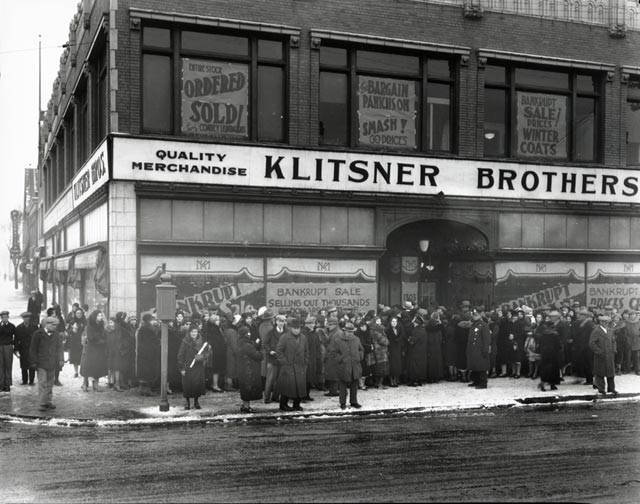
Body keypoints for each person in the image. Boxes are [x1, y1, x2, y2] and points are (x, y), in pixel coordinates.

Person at [29, 316, 64, 412]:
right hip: (41, 363)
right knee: (42, 383)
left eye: (56, 325)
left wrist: (61, 359)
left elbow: (60, 348)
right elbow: (33, 349)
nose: (55, 327)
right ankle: (42, 403)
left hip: (52, 363)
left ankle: (48, 401)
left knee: (50, 383)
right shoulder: (37, 334)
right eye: (53, 325)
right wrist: (33, 362)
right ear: (47, 324)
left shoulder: (56, 334)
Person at [275, 318, 308, 412]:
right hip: (288, 366)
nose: (297, 330)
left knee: (299, 387)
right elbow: (279, 351)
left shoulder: (303, 338)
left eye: (298, 328)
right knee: (286, 387)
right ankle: (283, 404)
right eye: (295, 328)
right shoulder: (285, 337)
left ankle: (296, 404)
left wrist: (305, 362)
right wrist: (284, 362)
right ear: (290, 328)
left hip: (300, 366)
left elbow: (306, 351)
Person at [329, 321, 364, 410]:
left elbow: (361, 350)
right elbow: (333, 353)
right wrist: (341, 359)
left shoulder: (356, 339)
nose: (350, 333)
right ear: (344, 331)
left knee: (354, 385)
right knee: (342, 386)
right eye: (348, 331)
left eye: (352, 332)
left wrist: (359, 357)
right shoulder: (338, 340)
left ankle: (353, 401)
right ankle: (343, 403)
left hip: (354, 366)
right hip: (343, 366)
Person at [177, 325, 211, 410]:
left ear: (198, 332)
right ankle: (187, 402)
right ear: (189, 333)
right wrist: (182, 368)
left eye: (195, 332)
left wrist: (202, 357)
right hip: (187, 366)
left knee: (197, 385)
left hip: (198, 367)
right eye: (192, 332)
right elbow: (180, 355)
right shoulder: (185, 341)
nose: (194, 333)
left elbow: (207, 352)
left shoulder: (202, 342)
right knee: (187, 385)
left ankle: (196, 401)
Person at [236, 325, 263, 413]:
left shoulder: (240, 342)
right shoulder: (247, 345)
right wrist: (260, 349)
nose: (250, 334)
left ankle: (244, 405)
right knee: (248, 388)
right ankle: (246, 407)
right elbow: (258, 356)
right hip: (248, 370)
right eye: (248, 332)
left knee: (244, 388)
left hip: (242, 369)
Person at [589, 315, 617, 395]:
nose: (605, 323)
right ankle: (601, 389)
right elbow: (592, 343)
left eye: (607, 322)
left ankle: (611, 389)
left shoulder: (610, 330)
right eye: (603, 322)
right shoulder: (596, 331)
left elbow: (613, 341)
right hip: (601, 355)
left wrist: (614, 349)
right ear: (600, 322)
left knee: (611, 373)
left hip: (610, 355)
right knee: (600, 373)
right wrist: (599, 351)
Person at [81, 309, 108, 392]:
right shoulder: (90, 325)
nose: (101, 317)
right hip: (91, 349)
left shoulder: (101, 325)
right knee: (88, 366)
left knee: (97, 366)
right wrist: (100, 340)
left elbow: (104, 335)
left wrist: (102, 339)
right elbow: (91, 337)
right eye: (99, 315)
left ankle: (95, 385)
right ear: (95, 316)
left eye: (101, 315)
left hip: (99, 349)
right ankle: (85, 384)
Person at [466, 309, 492, 389]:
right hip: (474, 350)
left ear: (480, 315)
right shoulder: (473, 325)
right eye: (474, 315)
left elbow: (487, 339)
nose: (474, 316)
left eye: (476, 314)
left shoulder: (484, 325)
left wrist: (485, 350)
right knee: (475, 366)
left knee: (482, 367)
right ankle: (476, 381)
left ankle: (483, 383)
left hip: (480, 350)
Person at [263, 313, 285, 403]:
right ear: (276, 322)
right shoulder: (271, 332)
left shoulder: (286, 332)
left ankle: (276, 397)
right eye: (280, 321)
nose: (281, 323)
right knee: (270, 380)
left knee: (280, 380)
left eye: (283, 321)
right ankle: (267, 398)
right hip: (272, 359)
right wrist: (269, 351)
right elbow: (265, 344)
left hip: (282, 359)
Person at [137, 313, 160, 396]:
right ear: (149, 320)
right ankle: (147, 390)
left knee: (144, 372)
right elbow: (153, 340)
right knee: (149, 371)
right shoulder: (149, 329)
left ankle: (141, 390)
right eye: (152, 319)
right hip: (149, 353)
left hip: (143, 353)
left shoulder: (141, 328)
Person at [538, 318, 562, 392]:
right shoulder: (555, 334)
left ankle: (543, 384)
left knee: (544, 369)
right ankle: (552, 384)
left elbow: (540, 345)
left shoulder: (543, 334)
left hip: (545, 354)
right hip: (553, 354)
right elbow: (559, 345)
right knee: (553, 370)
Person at [407, 309, 428, 386]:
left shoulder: (415, 330)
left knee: (414, 366)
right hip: (422, 350)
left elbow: (412, 341)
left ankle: (414, 380)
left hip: (415, 350)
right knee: (421, 365)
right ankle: (419, 380)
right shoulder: (423, 330)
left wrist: (409, 339)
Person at [14, 312, 37, 385]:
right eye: (25, 318)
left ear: (29, 318)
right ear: (22, 319)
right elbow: (16, 340)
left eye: (27, 318)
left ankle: (31, 381)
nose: (26, 319)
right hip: (23, 349)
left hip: (32, 349)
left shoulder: (34, 327)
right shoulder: (18, 328)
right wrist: (16, 350)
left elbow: (37, 339)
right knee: (23, 365)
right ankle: (24, 380)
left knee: (32, 365)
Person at [115, 312, 135, 390]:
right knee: (120, 367)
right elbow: (120, 338)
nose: (125, 318)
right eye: (124, 317)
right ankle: (119, 383)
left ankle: (122, 383)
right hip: (121, 349)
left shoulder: (123, 325)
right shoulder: (120, 325)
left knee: (123, 367)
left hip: (125, 348)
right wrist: (123, 346)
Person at [323, 316, 342, 396]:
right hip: (332, 356)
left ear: (334, 324)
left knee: (334, 375)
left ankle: (334, 391)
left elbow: (336, 346)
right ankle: (333, 390)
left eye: (330, 324)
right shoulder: (334, 332)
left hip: (334, 356)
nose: (328, 326)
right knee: (331, 374)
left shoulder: (338, 333)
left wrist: (329, 351)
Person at [425, 311, 444, 383]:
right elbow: (441, 337)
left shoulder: (427, 327)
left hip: (430, 346)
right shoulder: (439, 328)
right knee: (438, 362)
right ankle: (437, 377)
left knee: (430, 362)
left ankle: (430, 377)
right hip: (437, 347)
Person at [66, 308, 86, 378]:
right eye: (77, 313)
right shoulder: (72, 321)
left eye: (80, 313)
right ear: (75, 314)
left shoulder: (84, 321)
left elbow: (86, 330)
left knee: (82, 357)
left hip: (82, 341)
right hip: (74, 341)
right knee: (75, 358)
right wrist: (72, 330)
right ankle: (76, 372)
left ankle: (82, 371)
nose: (79, 314)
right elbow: (68, 331)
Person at [385, 316, 404, 387]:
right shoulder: (387, 330)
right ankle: (391, 380)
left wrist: (398, 340)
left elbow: (402, 336)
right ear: (390, 322)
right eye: (393, 321)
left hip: (398, 348)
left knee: (397, 364)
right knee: (391, 365)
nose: (394, 323)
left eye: (395, 321)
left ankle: (396, 379)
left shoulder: (399, 328)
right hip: (391, 349)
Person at [370, 317, 389, 388]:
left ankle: (377, 383)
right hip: (380, 351)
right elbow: (385, 341)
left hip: (377, 351)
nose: (379, 322)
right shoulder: (377, 331)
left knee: (378, 367)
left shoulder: (374, 330)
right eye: (378, 321)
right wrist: (387, 341)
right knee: (381, 368)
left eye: (380, 320)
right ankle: (379, 384)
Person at [0, 310, 16, 392]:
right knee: (1, 366)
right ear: (1, 318)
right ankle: (1, 384)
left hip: (8, 347)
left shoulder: (12, 326)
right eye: (3, 317)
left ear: (8, 317)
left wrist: (15, 348)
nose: (5, 319)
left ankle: (7, 384)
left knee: (8, 366)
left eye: (6, 317)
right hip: (0, 347)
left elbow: (15, 338)